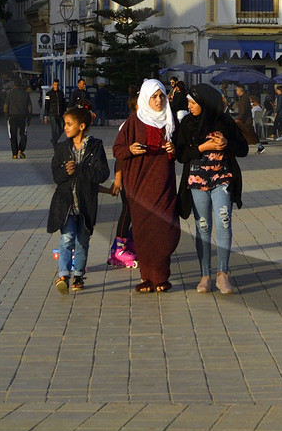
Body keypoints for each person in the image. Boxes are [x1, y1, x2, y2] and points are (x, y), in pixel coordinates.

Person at [176, 83, 249, 294]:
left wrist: (226, 143)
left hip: (222, 180)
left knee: (224, 222)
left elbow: (242, 148)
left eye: (192, 102)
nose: (189, 106)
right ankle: (205, 275)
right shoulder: (188, 123)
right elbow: (181, 155)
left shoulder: (224, 121)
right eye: (188, 102)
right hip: (197, 182)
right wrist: (202, 147)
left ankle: (223, 274)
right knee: (203, 226)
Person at [112, 79, 181, 292]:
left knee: (164, 230)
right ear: (145, 98)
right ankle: (147, 278)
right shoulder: (134, 122)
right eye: (154, 96)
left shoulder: (171, 121)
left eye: (161, 96)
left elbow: (182, 150)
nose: (159, 100)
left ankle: (161, 277)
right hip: (139, 186)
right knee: (142, 232)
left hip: (163, 185)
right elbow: (117, 150)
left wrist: (174, 148)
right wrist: (131, 149)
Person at [48, 105, 110, 293]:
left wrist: (80, 169)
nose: (65, 128)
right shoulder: (61, 148)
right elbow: (56, 176)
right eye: (65, 124)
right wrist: (65, 172)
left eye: (69, 124)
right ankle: (63, 276)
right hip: (65, 204)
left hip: (85, 204)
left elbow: (102, 173)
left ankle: (79, 275)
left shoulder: (95, 146)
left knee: (82, 241)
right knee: (67, 239)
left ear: (81, 126)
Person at [4, 76, 32, 159]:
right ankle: (21, 149)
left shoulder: (10, 94)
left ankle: (14, 154)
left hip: (12, 117)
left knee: (13, 135)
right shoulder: (26, 94)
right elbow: (29, 107)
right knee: (23, 134)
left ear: (14, 85)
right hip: (23, 117)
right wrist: (29, 117)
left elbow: (5, 106)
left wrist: (6, 117)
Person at [44, 80, 67, 146]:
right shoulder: (49, 94)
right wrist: (46, 116)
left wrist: (65, 112)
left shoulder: (61, 93)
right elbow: (46, 105)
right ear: (52, 85)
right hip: (52, 113)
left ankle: (54, 139)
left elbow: (63, 103)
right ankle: (55, 144)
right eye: (55, 85)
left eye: (57, 85)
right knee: (54, 129)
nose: (56, 86)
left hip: (60, 113)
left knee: (62, 127)